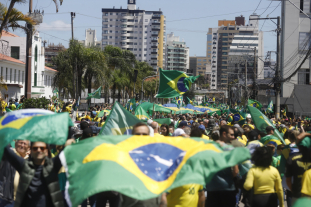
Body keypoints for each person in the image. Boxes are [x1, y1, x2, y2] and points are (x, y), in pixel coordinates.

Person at [3, 139, 74, 207]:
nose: (38, 150)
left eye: (42, 148)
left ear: (46, 150)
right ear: (30, 150)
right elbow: (6, 150)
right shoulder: (24, 166)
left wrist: (70, 136)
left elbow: (65, 151)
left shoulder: (52, 166)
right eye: (35, 148)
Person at [205, 125, 239, 207]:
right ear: (224, 134)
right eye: (231, 134)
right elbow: (236, 171)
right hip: (227, 188)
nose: (233, 137)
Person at [0, 140, 30, 207]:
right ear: (16, 144)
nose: (22, 145)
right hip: (7, 200)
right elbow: (4, 144)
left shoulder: (30, 160)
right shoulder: (9, 155)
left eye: (25, 144)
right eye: (20, 143)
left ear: (28, 148)